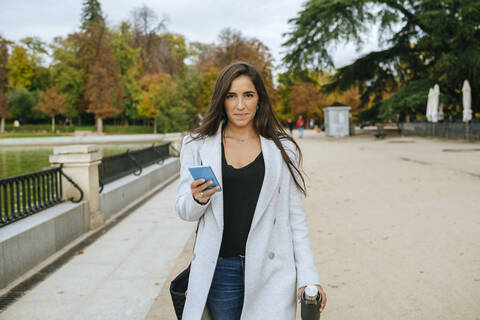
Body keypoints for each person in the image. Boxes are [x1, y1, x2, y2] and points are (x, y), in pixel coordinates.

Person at [175, 62, 326, 320]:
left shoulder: (282, 148)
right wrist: (196, 198)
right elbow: (183, 210)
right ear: (221, 100)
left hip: (273, 269)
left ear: (260, 99)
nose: (240, 105)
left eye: (248, 95)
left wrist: (308, 275)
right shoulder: (197, 146)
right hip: (221, 271)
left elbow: (295, 218)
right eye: (231, 96)